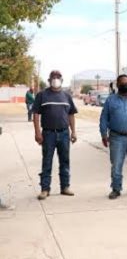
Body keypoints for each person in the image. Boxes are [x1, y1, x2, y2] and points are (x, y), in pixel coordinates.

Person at [32, 70, 78, 200]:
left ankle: (65, 187)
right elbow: (36, 114)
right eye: (53, 77)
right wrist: (37, 132)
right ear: (49, 80)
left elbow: (71, 114)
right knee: (47, 161)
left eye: (58, 77)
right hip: (48, 134)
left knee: (65, 161)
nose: (55, 79)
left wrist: (73, 131)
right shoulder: (42, 95)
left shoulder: (67, 96)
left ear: (62, 80)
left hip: (64, 133)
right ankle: (45, 189)